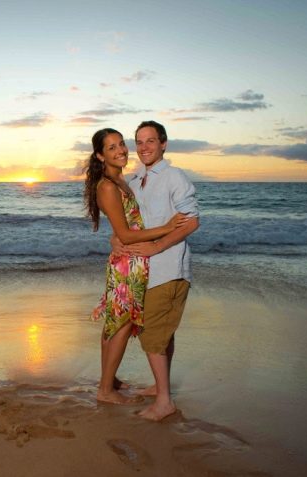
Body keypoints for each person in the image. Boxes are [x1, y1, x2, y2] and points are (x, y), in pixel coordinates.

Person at [84, 128, 189, 405]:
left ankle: (109, 380)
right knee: (121, 323)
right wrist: (166, 228)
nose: (120, 150)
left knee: (115, 321)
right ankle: (106, 390)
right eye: (111, 147)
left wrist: (115, 237)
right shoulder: (108, 186)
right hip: (127, 262)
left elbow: (122, 228)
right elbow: (126, 233)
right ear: (100, 155)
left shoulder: (124, 180)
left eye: (121, 144)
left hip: (132, 260)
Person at [114, 120, 200, 421]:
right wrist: (117, 239)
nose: (144, 147)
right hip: (144, 271)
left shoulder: (174, 177)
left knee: (151, 333)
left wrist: (157, 246)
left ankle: (165, 402)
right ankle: (160, 387)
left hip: (169, 269)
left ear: (163, 144)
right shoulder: (136, 180)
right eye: (139, 142)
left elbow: (192, 221)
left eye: (150, 141)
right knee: (163, 334)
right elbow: (130, 224)